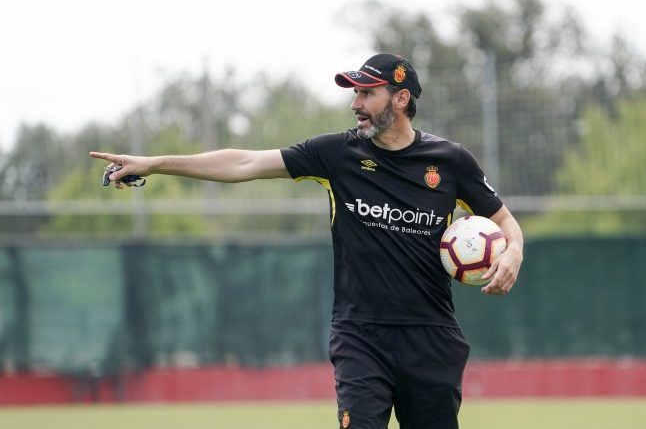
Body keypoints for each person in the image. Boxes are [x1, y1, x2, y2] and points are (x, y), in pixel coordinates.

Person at [91, 53, 523, 429]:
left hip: (431, 336)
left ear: (401, 98)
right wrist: (156, 162)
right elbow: (243, 162)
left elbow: (504, 221)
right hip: (361, 337)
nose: (355, 104)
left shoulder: (450, 162)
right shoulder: (338, 155)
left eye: (366, 94)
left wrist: (513, 254)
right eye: (354, 94)